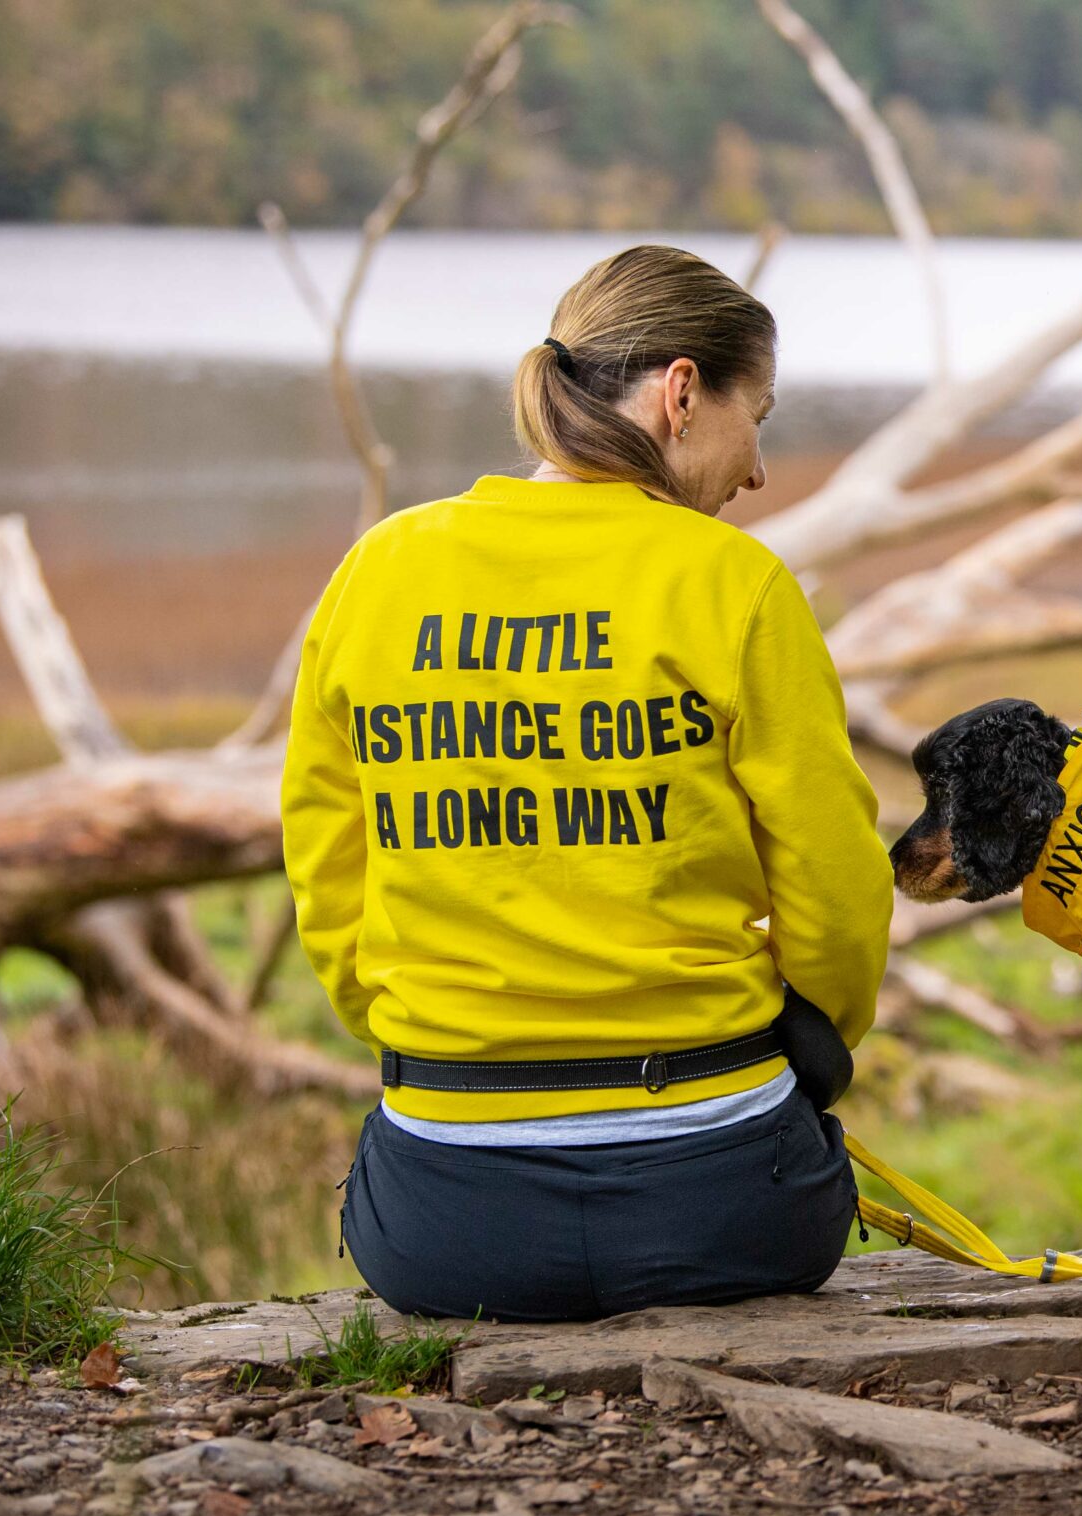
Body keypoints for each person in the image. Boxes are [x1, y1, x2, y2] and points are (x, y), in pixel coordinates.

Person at [281, 244, 891, 1322]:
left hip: (444, 1223)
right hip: (726, 1208)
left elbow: (327, 859)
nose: (756, 472)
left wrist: (408, 1020)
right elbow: (835, 878)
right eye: (761, 416)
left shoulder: (379, 569)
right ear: (683, 393)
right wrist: (813, 1031)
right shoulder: (735, 583)